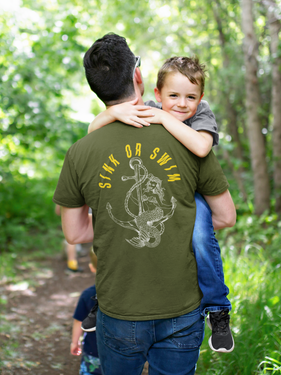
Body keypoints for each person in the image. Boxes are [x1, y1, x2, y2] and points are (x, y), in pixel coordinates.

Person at [53, 33, 236, 375]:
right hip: (182, 308)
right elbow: (225, 216)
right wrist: (176, 227)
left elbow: (75, 232)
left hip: (118, 310)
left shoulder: (81, 151)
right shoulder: (186, 142)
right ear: (140, 77)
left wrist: (119, 229)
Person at [81, 56, 233, 353]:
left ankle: (217, 308)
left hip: (190, 196)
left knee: (201, 237)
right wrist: (115, 114)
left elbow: (202, 147)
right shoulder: (147, 109)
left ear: (200, 98)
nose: (181, 103)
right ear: (158, 94)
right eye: (173, 96)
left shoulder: (199, 115)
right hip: (153, 192)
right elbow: (92, 131)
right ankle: (102, 300)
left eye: (190, 96)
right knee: (121, 233)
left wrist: (164, 119)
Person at [71, 248, 104, 375]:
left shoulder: (87, 294)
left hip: (93, 349)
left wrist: (75, 341)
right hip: (120, 348)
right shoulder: (124, 294)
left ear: (92, 267)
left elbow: (78, 321)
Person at [55, 204, 83, 273]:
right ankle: (71, 265)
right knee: (72, 241)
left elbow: (57, 211)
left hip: (68, 218)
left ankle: (70, 263)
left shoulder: (61, 193)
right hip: (75, 218)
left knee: (70, 241)